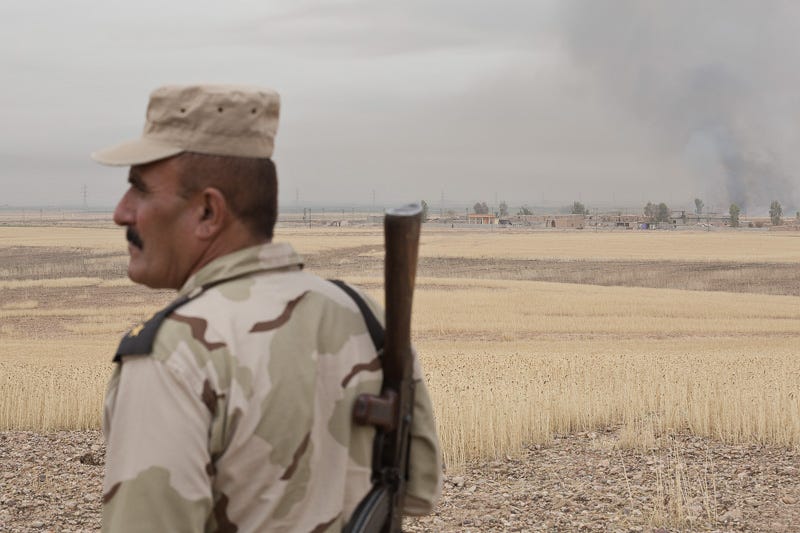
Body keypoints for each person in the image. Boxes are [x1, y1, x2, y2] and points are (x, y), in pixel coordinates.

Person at [91, 84, 441, 532]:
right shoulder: (362, 313)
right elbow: (417, 489)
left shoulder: (174, 353)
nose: (121, 213)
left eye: (138, 191)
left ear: (208, 213)